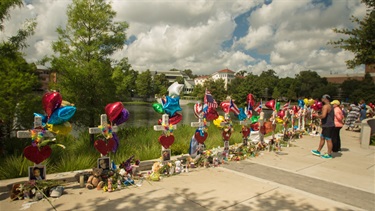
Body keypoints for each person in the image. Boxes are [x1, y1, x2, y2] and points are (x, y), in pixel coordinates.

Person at [311, 94, 335, 159]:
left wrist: (316, 115)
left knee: (328, 139)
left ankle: (329, 154)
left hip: (328, 125)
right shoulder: (331, 106)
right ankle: (318, 150)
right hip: (326, 125)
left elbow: (323, 116)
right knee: (322, 137)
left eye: (323, 98)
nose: (322, 99)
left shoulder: (326, 106)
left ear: (326, 99)